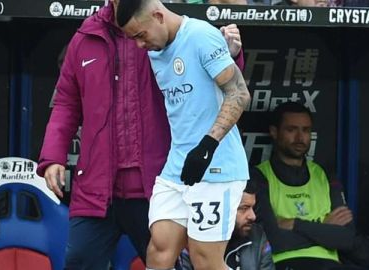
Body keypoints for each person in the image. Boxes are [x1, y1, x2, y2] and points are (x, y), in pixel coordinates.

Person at [37, 0, 245, 269]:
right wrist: (53, 155)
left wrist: (230, 54)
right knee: (86, 260)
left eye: (140, 37)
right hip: (98, 186)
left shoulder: (164, 30)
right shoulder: (85, 38)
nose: (139, 44)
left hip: (155, 176)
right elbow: (66, 101)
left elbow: (218, 79)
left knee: (199, 260)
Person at [116, 1, 251, 269]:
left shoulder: (201, 35)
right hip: (177, 165)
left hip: (216, 165)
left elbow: (238, 93)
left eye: (141, 36)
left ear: (158, 16)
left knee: (205, 261)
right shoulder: (156, 51)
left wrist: (207, 146)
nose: (140, 46)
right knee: (159, 251)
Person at [251, 101, 369, 270]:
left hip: (330, 265)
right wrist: (326, 229)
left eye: (306, 130)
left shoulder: (324, 175)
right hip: (284, 263)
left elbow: (346, 238)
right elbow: (275, 241)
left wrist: (296, 224)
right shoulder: (259, 176)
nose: (300, 138)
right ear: (274, 132)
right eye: (291, 130)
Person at [179, 179, 276, 270]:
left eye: (252, 208)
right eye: (244, 208)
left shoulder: (257, 236)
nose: (253, 216)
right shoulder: (191, 239)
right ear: (220, 209)